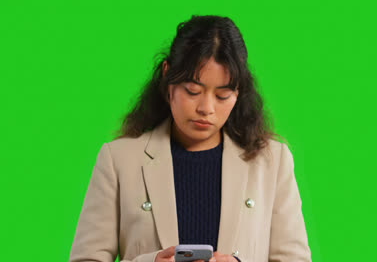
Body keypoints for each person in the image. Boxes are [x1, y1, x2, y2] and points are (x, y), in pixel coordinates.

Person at [69, 14, 311, 262]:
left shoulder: (272, 161)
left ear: (239, 92)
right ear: (167, 76)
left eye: (222, 95)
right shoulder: (119, 159)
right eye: (192, 91)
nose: (206, 108)